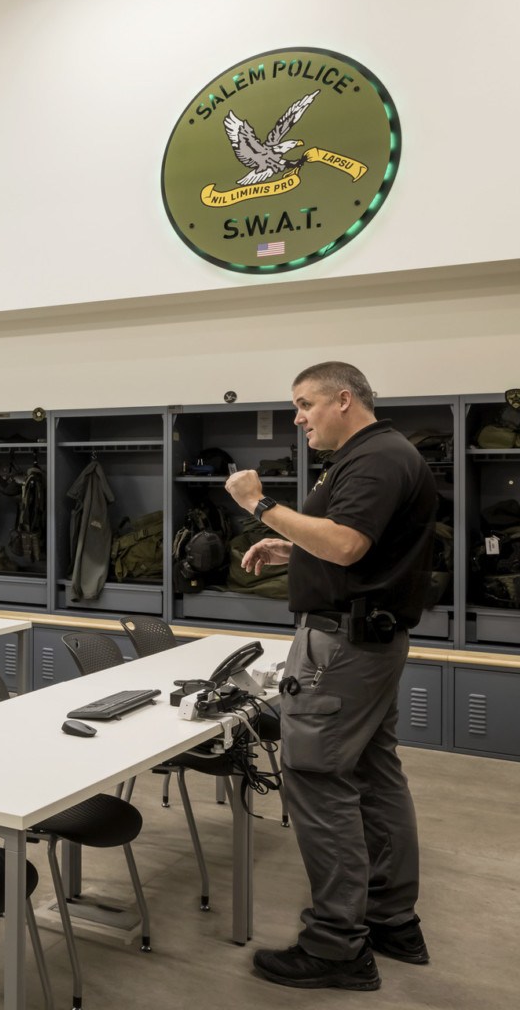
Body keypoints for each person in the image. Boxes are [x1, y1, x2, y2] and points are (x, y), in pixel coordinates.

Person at [224, 361, 435, 991]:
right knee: (373, 772)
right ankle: (390, 916)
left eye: (304, 404)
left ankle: (337, 945)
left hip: (342, 646)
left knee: (317, 779)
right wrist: (292, 548)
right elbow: (363, 546)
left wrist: (260, 506)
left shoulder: (373, 459)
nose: (298, 418)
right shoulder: (380, 455)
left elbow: (345, 546)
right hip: (365, 639)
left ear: (343, 399)